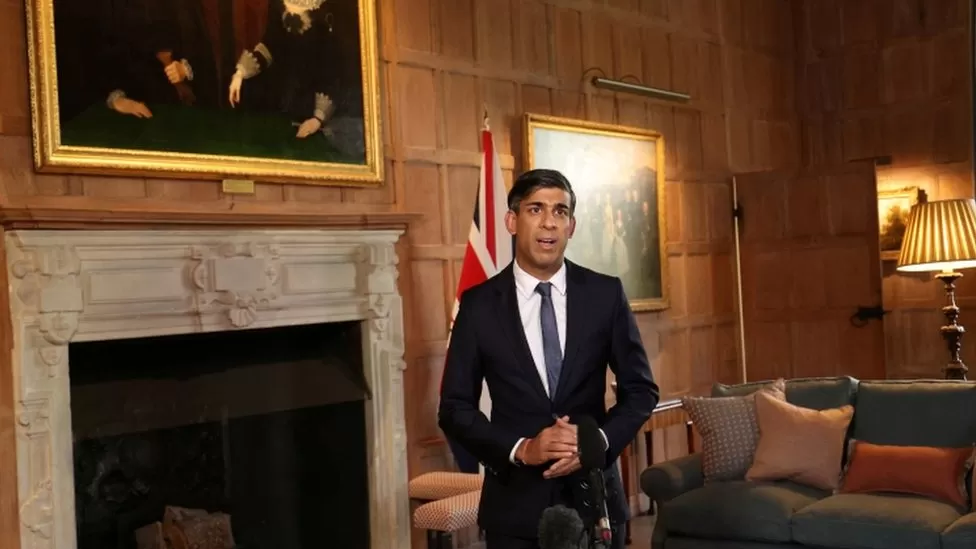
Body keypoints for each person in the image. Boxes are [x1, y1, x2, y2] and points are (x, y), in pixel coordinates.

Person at [438, 168, 660, 549]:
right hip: (515, 512)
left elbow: (641, 391)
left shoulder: (605, 294)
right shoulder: (478, 306)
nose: (549, 223)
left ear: (571, 226)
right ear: (511, 221)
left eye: (560, 211)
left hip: (596, 506)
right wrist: (522, 448)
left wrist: (597, 443)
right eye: (535, 209)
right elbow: (454, 408)